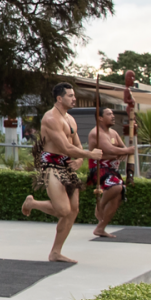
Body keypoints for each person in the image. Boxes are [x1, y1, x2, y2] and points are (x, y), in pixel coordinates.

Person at [22, 83, 103, 262]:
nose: (74, 98)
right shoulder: (50, 118)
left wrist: (81, 159)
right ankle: (32, 203)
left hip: (67, 165)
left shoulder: (70, 119)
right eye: (70, 96)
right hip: (51, 166)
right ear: (59, 98)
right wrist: (90, 154)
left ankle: (56, 252)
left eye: (74, 95)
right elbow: (64, 146)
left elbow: (76, 145)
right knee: (63, 210)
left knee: (73, 210)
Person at [87, 106, 134, 238]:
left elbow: (121, 148)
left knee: (119, 195)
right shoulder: (96, 133)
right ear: (100, 118)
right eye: (109, 114)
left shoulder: (113, 133)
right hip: (98, 168)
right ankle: (100, 206)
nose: (113, 116)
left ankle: (100, 228)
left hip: (112, 169)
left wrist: (124, 151)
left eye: (113, 114)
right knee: (116, 186)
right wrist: (126, 151)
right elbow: (111, 150)